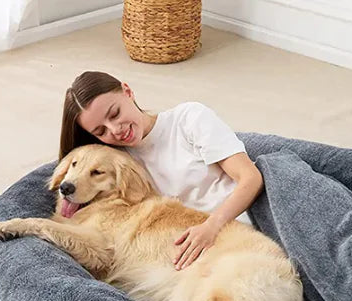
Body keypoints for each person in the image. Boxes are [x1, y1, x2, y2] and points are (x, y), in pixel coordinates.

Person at [58, 71, 264, 271]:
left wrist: (211, 226)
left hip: (240, 235)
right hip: (182, 249)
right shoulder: (116, 164)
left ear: (127, 92)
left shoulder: (188, 119)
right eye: (101, 131)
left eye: (115, 114)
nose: (115, 130)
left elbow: (250, 177)